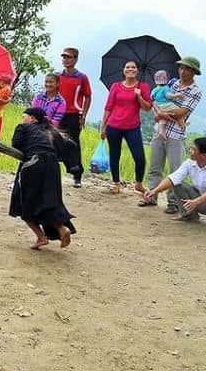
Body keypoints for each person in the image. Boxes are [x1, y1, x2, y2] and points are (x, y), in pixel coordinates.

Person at [9, 108, 76, 249]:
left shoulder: (24, 127)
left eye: (24, 117)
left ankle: (41, 237)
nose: (23, 119)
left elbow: (16, 144)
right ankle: (62, 228)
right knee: (48, 201)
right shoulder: (52, 131)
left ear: (32, 119)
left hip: (34, 163)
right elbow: (64, 149)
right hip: (53, 167)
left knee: (23, 202)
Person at [143, 57, 203, 212]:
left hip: (176, 134)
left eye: (187, 69)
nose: (183, 71)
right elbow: (156, 101)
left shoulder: (195, 91)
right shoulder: (173, 83)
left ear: (194, 72)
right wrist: (159, 113)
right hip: (160, 130)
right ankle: (151, 196)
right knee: (155, 167)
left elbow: (183, 111)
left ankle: (173, 203)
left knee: (176, 170)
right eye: (181, 68)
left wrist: (162, 114)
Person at [142, 137, 206, 233]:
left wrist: (196, 201)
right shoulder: (189, 163)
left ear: (203, 155)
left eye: (193, 149)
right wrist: (154, 191)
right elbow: (173, 178)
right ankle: (189, 215)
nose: (190, 151)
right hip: (196, 201)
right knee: (176, 184)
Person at [99, 60, 152, 194]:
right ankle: (116, 183)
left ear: (137, 71)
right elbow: (108, 106)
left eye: (133, 67)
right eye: (128, 67)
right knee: (115, 155)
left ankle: (139, 183)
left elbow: (147, 108)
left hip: (132, 127)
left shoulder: (143, 86)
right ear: (123, 70)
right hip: (114, 125)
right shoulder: (116, 86)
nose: (130, 69)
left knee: (140, 157)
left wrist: (139, 96)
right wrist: (103, 126)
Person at [58, 47, 92, 188]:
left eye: (69, 57)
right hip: (59, 113)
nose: (66, 59)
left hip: (73, 114)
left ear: (75, 59)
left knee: (73, 143)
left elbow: (88, 96)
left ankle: (77, 174)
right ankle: (57, 171)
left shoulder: (81, 77)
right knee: (56, 141)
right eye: (64, 57)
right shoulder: (58, 75)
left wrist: (83, 115)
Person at [150, 70, 187, 140]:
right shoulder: (166, 88)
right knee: (179, 111)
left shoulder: (154, 89)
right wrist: (176, 95)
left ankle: (161, 130)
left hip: (159, 106)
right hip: (166, 105)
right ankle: (182, 123)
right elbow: (168, 96)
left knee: (162, 118)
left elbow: (151, 97)